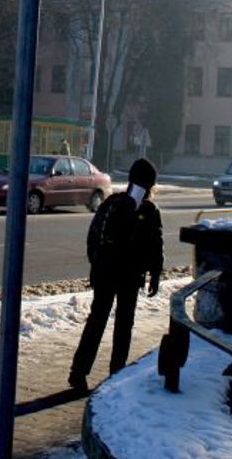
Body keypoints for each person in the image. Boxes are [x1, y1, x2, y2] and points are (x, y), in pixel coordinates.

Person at [68, 157, 164, 392]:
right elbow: (155, 246)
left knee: (97, 321)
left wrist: (97, 264)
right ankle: (116, 374)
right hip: (128, 276)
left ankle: (78, 373)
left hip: (106, 272)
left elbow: (93, 236)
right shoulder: (147, 210)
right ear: (151, 185)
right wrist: (155, 275)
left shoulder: (111, 203)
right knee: (123, 325)